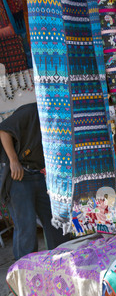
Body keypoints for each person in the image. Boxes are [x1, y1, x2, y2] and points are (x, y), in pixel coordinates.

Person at [0, 102, 69, 260]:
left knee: (55, 219)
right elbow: (3, 130)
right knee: (26, 226)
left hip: (38, 174)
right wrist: (13, 160)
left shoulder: (62, 119)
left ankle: (62, 259)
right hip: (18, 176)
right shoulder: (32, 110)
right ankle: (25, 272)